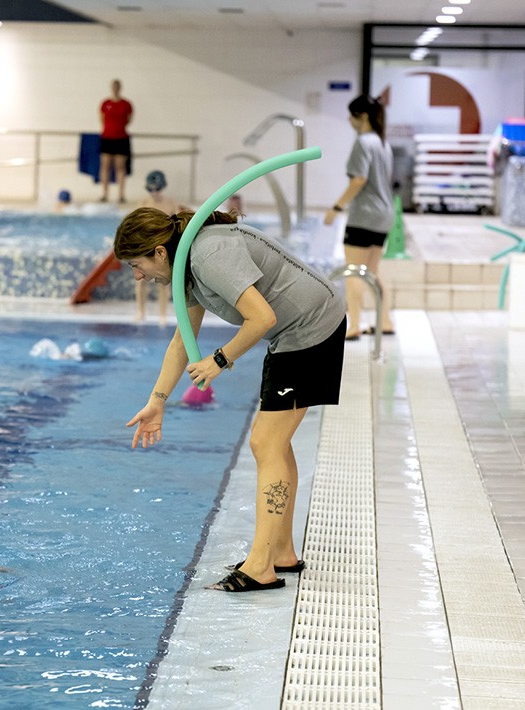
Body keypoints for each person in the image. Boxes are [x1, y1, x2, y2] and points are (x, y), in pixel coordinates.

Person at [113, 207, 347, 592]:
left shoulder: (208, 255)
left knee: (264, 442)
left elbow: (262, 317)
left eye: (137, 265)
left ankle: (260, 567)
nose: (137, 276)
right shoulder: (185, 267)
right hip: (297, 330)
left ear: (158, 251)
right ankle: (281, 552)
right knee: (274, 442)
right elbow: (180, 342)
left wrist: (220, 359)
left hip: (310, 327)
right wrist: (158, 401)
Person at [324, 94, 396, 340]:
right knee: (373, 271)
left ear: (362, 116)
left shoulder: (363, 142)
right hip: (384, 214)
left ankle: (354, 325)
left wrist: (336, 207)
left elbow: (358, 179)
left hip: (364, 214)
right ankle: (384, 321)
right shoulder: (383, 142)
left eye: (351, 115)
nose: (349, 120)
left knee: (354, 270)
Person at [136, 170, 184, 324]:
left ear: (162, 187)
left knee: (163, 283)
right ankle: (140, 311)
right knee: (141, 281)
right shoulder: (143, 204)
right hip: (145, 248)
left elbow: (178, 224)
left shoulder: (170, 203)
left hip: (162, 248)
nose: (154, 193)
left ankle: (162, 314)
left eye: (157, 189)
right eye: (151, 189)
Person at [98, 79, 133, 204]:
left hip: (121, 138)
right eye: (113, 87)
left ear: (120, 88)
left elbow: (128, 120)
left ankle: (121, 195)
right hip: (107, 138)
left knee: (120, 167)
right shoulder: (105, 103)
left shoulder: (126, 104)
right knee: (105, 166)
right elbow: (101, 118)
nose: (115, 89)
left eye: (117, 87)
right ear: (111, 88)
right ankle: (104, 194)